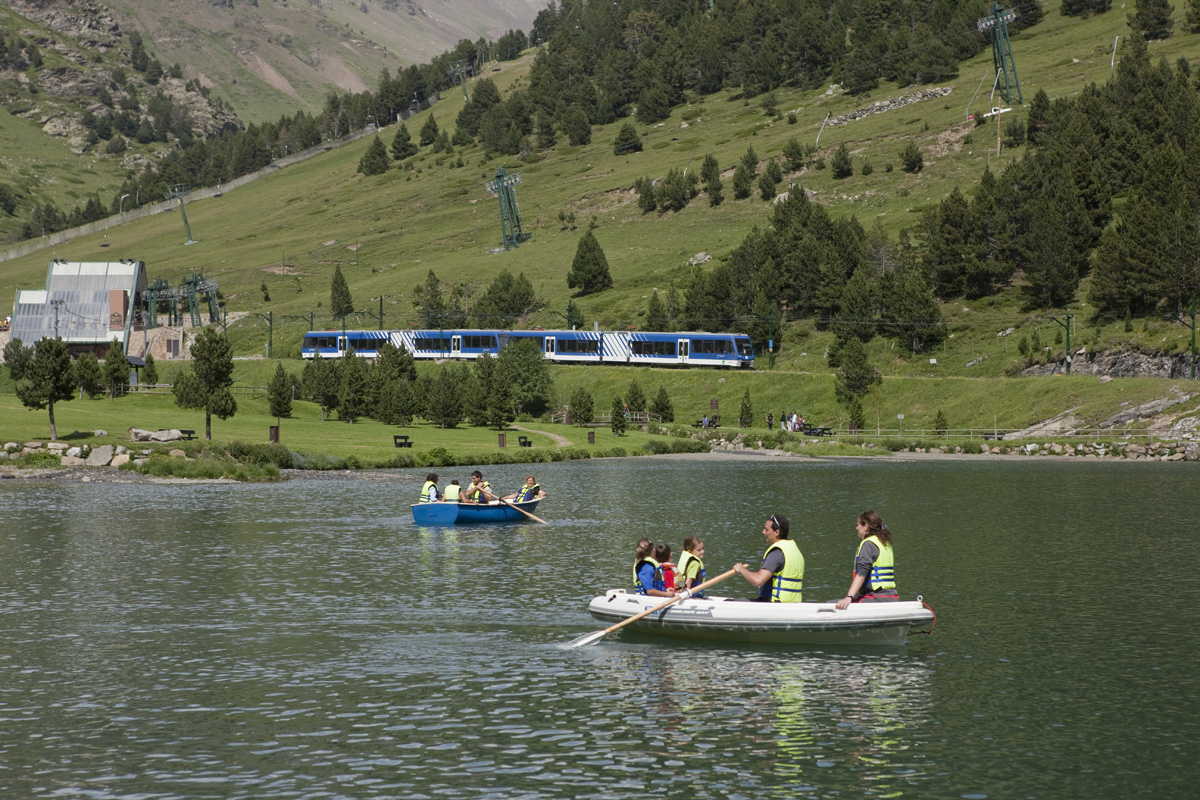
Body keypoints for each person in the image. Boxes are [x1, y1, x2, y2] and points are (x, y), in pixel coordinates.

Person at [733, 513, 804, 602]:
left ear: (777, 532)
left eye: (766, 530)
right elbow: (762, 576)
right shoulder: (795, 551)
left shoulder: (776, 553)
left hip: (774, 604)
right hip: (792, 604)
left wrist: (741, 570)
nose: (763, 532)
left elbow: (758, 580)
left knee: (729, 602)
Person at [835, 510, 898, 609]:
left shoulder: (868, 544)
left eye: (858, 524)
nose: (856, 527)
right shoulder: (885, 543)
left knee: (832, 604)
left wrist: (849, 597)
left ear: (866, 526)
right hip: (892, 597)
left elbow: (861, 574)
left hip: (876, 598)